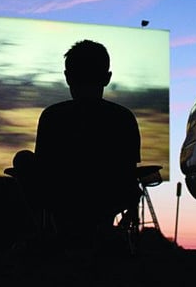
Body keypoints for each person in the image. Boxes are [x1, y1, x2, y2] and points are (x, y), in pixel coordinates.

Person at [11, 39, 141, 249]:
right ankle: (105, 233)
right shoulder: (124, 118)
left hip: (61, 199)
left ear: (68, 77)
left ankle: (49, 233)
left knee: (23, 159)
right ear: (107, 78)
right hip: (108, 199)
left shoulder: (52, 116)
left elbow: (43, 168)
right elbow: (128, 172)